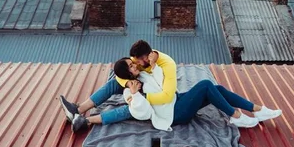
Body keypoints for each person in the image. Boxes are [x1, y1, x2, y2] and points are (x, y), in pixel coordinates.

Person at [114, 57, 282, 129]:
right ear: (126, 73)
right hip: (174, 114)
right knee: (206, 84)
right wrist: (135, 95)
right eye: (130, 65)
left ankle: (257, 110)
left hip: (175, 101)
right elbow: (141, 113)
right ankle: (235, 116)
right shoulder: (130, 91)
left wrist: (150, 64)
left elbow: (157, 76)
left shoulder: (142, 74)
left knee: (218, 89)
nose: (134, 64)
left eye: (132, 62)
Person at [59, 40, 177, 132]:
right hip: (138, 85)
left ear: (148, 56)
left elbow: (167, 96)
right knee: (114, 83)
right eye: (134, 63)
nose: (137, 65)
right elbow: (121, 71)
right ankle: (78, 109)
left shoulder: (168, 65)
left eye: (138, 62)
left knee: (131, 109)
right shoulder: (137, 59)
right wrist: (128, 83)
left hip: (157, 94)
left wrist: (140, 95)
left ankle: (86, 121)